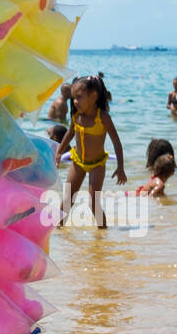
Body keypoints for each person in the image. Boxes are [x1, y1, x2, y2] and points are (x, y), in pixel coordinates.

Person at [54, 75, 126, 228]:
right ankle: (58, 231)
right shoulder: (76, 116)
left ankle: (102, 234)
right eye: (73, 98)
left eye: (79, 97)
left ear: (93, 96)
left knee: (93, 203)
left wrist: (120, 168)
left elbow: (116, 142)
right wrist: (59, 152)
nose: (75, 101)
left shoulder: (103, 117)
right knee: (67, 200)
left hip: (97, 164)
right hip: (78, 162)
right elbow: (70, 133)